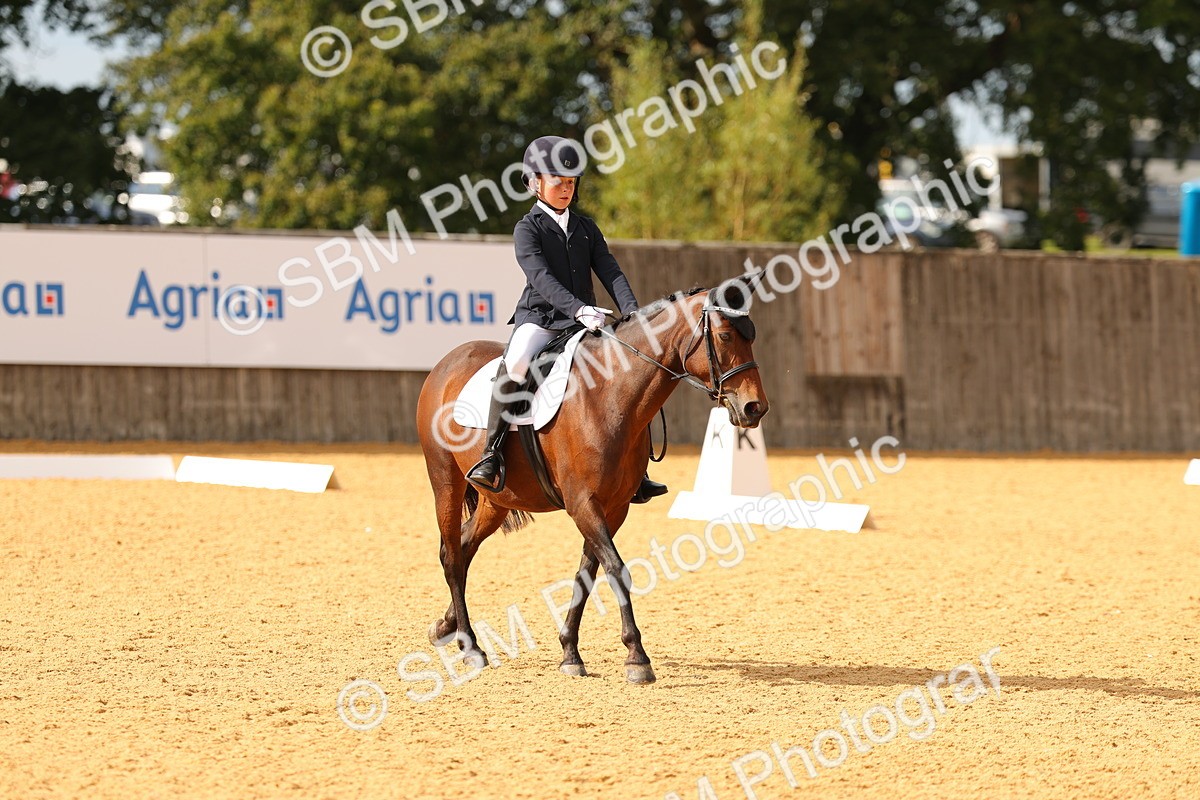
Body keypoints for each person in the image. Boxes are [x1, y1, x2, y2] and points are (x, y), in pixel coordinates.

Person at [465, 135, 668, 504]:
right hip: (541, 319)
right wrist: (578, 308)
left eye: (571, 183)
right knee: (517, 361)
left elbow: (610, 270)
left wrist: (633, 313)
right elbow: (541, 278)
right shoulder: (527, 229)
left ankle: (637, 471)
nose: (565, 189)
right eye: (557, 181)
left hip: (583, 322)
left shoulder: (586, 228)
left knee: (628, 369)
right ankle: (491, 454)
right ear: (535, 183)